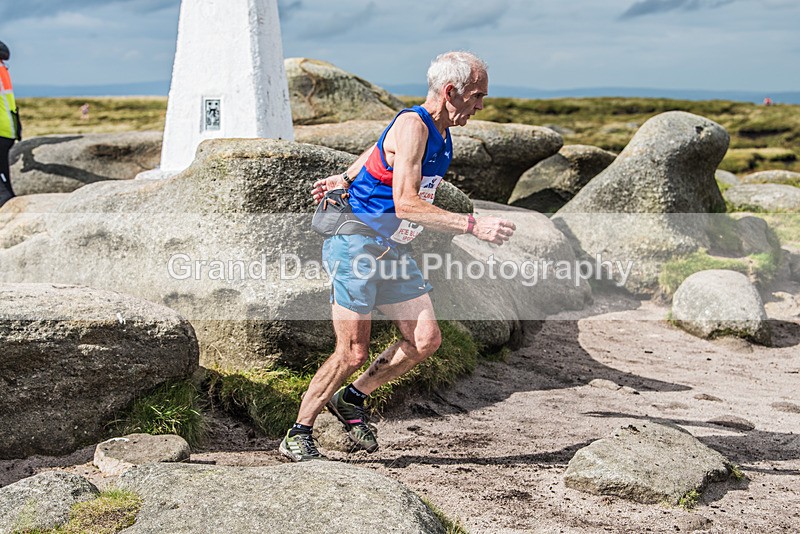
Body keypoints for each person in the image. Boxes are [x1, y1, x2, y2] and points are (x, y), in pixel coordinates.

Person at [280, 51, 516, 461]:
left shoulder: (438, 131)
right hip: (355, 243)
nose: (481, 105)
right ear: (451, 91)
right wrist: (472, 225)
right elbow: (406, 203)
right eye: (477, 95)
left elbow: (379, 147)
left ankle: (351, 398)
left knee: (425, 339)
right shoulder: (414, 125)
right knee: (352, 352)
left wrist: (345, 177)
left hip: (391, 248)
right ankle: (297, 433)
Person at [0, 40, 20, 208]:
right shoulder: (2, 70)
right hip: (8, 129)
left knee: (3, 189)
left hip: (1, 129)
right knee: (3, 174)